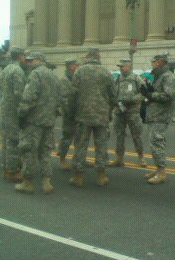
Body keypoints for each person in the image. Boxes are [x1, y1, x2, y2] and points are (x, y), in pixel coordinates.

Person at [70, 47, 116, 187]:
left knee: (81, 145)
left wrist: (73, 111)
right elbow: (113, 95)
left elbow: (73, 94)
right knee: (101, 145)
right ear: (98, 56)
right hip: (101, 115)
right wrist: (109, 109)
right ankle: (101, 177)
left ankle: (78, 177)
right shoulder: (106, 72)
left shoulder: (79, 71)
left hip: (83, 115)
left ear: (88, 56)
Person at [16, 52, 61, 194]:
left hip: (34, 120)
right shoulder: (53, 76)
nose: (28, 63)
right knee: (45, 152)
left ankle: (27, 182)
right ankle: (46, 182)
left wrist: (21, 115)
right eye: (27, 61)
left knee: (28, 150)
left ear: (39, 60)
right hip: (48, 121)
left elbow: (29, 97)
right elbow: (59, 99)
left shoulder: (35, 74)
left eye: (31, 60)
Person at [140, 53, 175, 184]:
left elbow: (169, 96)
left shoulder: (168, 77)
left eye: (154, 61)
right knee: (153, 143)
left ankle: (161, 173)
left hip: (161, 115)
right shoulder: (159, 76)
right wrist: (148, 91)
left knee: (157, 142)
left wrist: (151, 95)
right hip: (155, 115)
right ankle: (158, 169)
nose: (152, 63)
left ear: (160, 62)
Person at [109, 59, 147, 168]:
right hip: (119, 112)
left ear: (129, 67)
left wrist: (132, 100)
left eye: (122, 66)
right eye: (120, 66)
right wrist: (116, 102)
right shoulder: (118, 79)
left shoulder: (136, 78)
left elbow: (144, 93)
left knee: (136, 135)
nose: (120, 68)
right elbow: (113, 94)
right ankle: (119, 159)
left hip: (132, 112)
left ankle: (141, 157)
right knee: (119, 135)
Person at [0, 47, 26, 181]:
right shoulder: (17, 71)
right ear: (20, 56)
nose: (25, 58)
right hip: (13, 111)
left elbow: (0, 91)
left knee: (6, 139)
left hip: (5, 109)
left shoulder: (5, 70)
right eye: (24, 55)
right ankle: (12, 171)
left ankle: (6, 166)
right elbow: (19, 94)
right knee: (14, 140)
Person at [57, 58, 80, 170]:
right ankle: (62, 159)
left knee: (79, 138)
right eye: (76, 65)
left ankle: (78, 159)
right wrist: (69, 113)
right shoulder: (64, 80)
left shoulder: (76, 78)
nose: (78, 67)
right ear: (70, 66)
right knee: (67, 137)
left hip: (79, 113)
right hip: (69, 114)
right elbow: (64, 99)